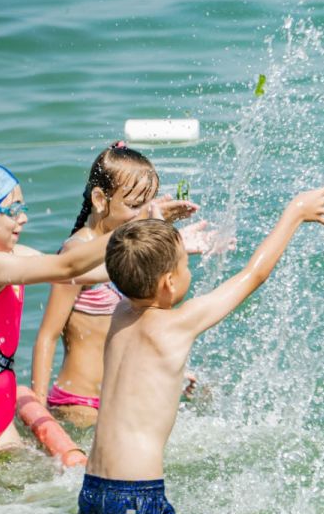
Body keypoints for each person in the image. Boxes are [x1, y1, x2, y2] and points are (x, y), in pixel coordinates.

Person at [77, 185, 324, 514]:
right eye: (185, 264)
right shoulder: (175, 325)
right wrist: (295, 213)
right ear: (167, 282)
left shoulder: (119, 312)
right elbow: (254, 275)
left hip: (93, 496)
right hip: (136, 498)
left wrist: (155, 222)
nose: (189, 270)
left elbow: (127, 263)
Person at [31, 142, 207, 428]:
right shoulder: (75, 253)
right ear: (101, 199)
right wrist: (39, 415)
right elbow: (47, 336)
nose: (142, 214)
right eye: (135, 206)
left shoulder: (125, 251)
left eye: (148, 205)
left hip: (121, 398)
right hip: (80, 403)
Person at [0, 159, 122, 449]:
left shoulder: (13, 258)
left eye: (23, 209)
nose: (22, 219)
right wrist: (134, 228)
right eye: (12, 211)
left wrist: (156, 248)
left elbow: (90, 273)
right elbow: (66, 267)